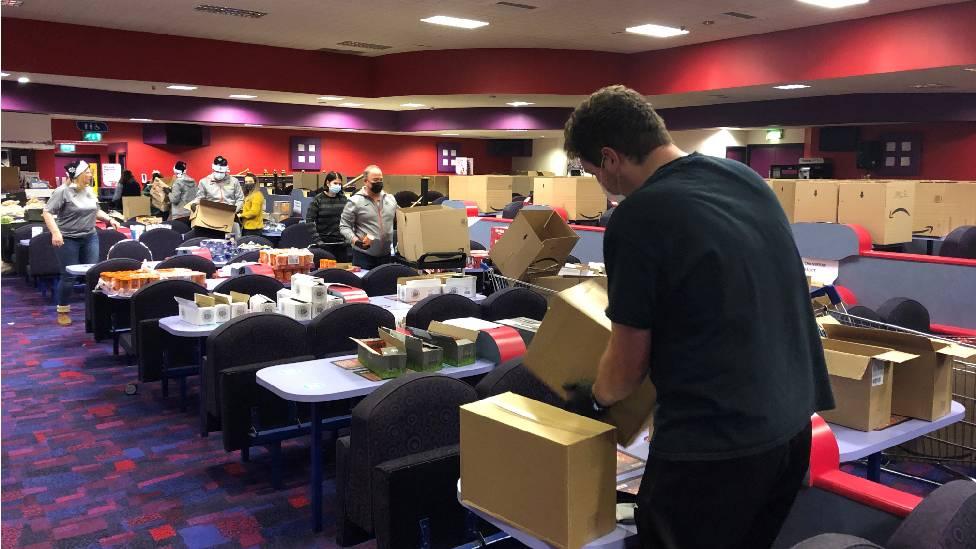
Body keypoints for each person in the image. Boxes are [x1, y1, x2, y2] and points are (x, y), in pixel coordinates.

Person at [561, 86, 833, 549]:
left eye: (592, 172)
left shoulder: (638, 216)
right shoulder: (743, 179)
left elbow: (627, 364)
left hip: (715, 444)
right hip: (791, 429)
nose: (600, 184)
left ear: (609, 158)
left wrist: (594, 398)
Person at [42, 160, 121, 326]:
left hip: (90, 236)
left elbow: (95, 209)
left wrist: (109, 218)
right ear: (77, 175)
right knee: (69, 276)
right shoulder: (62, 191)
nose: (90, 174)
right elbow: (47, 212)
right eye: (87, 172)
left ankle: (95, 310)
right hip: (68, 237)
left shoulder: (89, 190)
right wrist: (55, 232)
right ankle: (63, 310)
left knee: (93, 273)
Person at [339, 165, 397, 269]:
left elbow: (402, 220)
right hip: (364, 256)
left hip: (386, 256)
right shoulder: (355, 201)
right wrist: (356, 241)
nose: (379, 183)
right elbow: (344, 226)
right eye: (375, 180)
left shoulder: (390, 199)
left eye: (381, 180)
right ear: (365, 181)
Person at [306, 171, 349, 262]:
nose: (338, 186)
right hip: (323, 244)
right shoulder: (318, 199)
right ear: (328, 183)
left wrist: (348, 238)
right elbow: (309, 221)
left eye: (340, 184)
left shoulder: (344, 200)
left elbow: (349, 220)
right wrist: (318, 241)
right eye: (335, 183)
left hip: (341, 243)